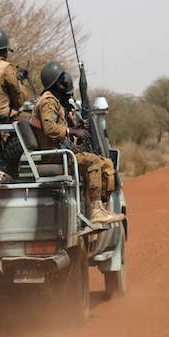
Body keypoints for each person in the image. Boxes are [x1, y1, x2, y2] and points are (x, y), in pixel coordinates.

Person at [30, 61, 123, 224]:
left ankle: (100, 207)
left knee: (107, 164)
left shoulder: (57, 102)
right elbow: (50, 128)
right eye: (62, 80)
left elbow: (59, 125)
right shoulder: (47, 101)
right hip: (56, 156)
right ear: (55, 83)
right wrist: (72, 131)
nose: (65, 83)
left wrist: (76, 126)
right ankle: (95, 211)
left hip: (63, 153)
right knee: (93, 161)